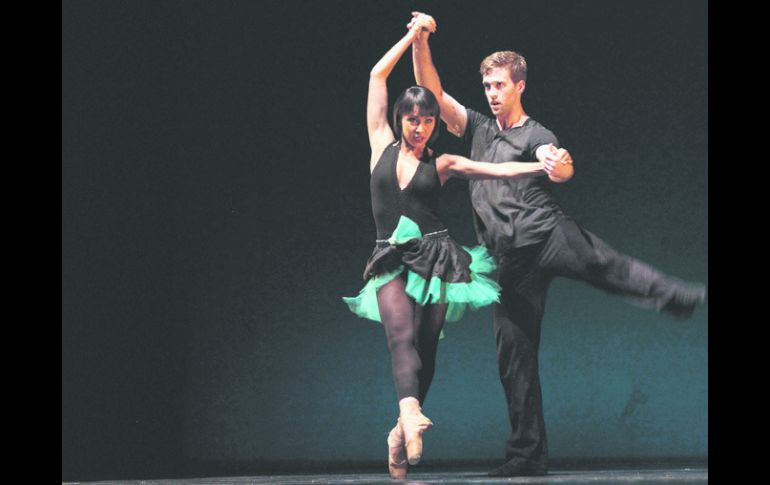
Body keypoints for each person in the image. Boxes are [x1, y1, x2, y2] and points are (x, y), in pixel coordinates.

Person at [409, 11, 707, 478]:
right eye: (486, 85)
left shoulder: (537, 134)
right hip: (510, 264)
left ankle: (675, 296)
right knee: (514, 358)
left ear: (519, 86)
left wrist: (556, 163)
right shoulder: (479, 129)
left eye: (499, 86)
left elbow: (560, 167)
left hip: (548, 236)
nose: (491, 93)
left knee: (603, 263)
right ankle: (528, 457)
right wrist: (420, 39)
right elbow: (433, 93)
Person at [342, 17, 573, 480]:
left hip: (436, 260)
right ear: (399, 120)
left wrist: (538, 167)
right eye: (414, 120)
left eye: (428, 121)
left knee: (425, 350)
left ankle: (400, 426)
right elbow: (375, 77)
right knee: (400, 335)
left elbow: (490, 171)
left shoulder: (442, 161)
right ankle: (409, 413)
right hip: (391, 259)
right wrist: (413, 37)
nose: (421, 128)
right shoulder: (379, 145)